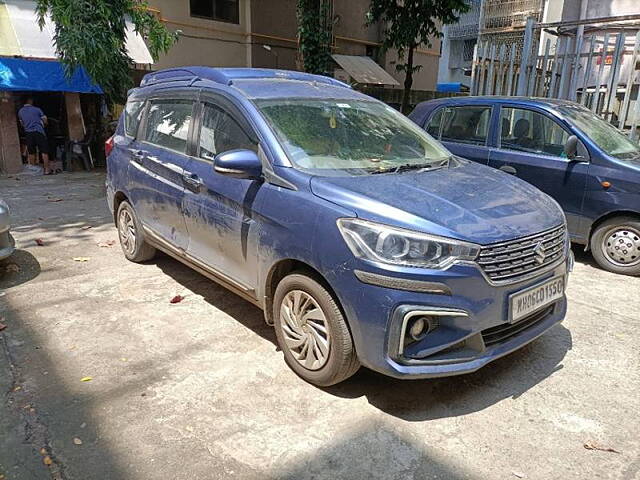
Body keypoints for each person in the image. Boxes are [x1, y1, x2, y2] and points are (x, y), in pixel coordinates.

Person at [18, 97, 52, 175]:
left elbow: (22, 124)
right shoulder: (37, 109)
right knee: (44, 151)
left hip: (28, 133)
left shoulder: (20, 111)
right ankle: (47, 170)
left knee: (31, 152)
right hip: (39, 131)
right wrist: (44, 124)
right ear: (30, 101)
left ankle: (33, 170)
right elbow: (45, 120)